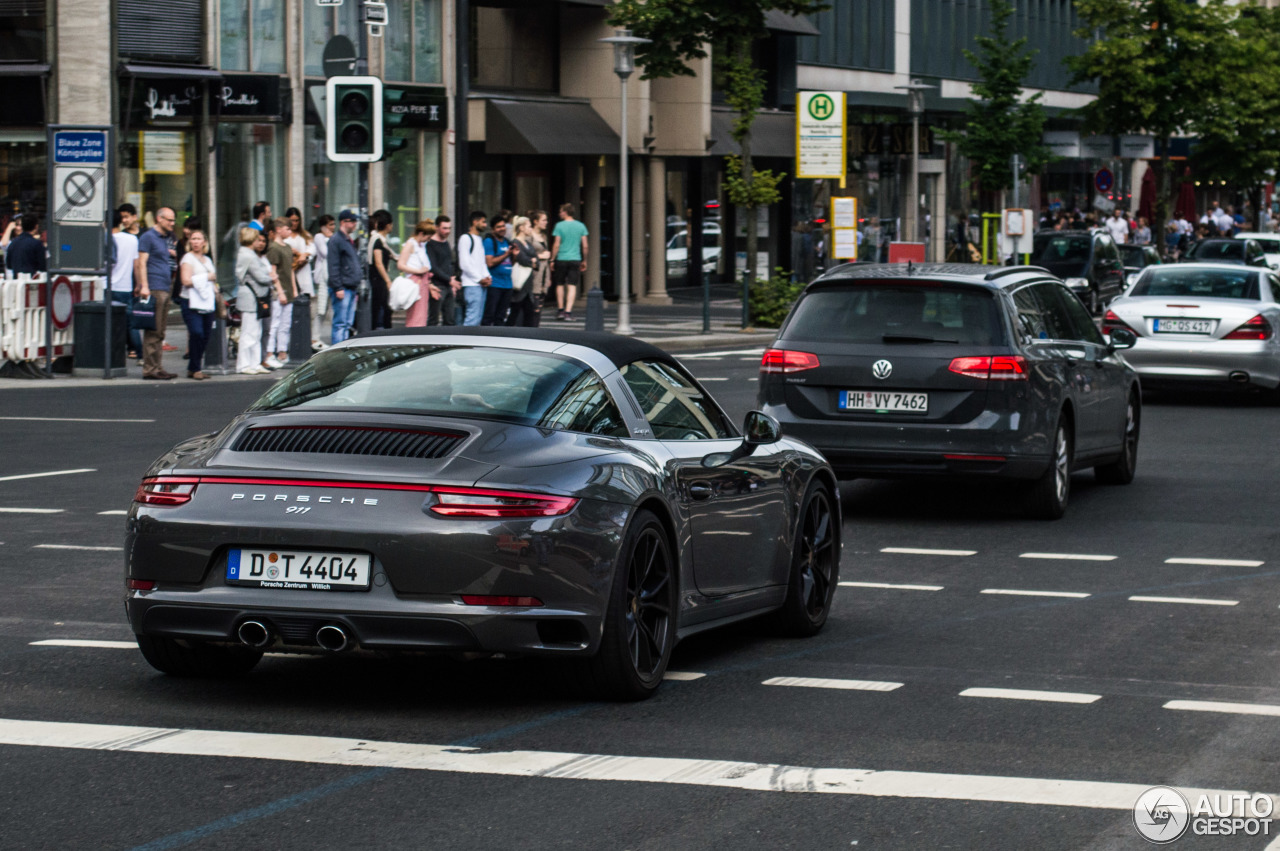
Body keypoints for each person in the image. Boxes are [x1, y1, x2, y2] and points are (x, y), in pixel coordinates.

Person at [137, 206, 178, 380]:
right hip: (154, 288)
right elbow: (141, 262)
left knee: (160, 331)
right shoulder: (148, 237)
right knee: (153, 331)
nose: (172, 223)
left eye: (173, 220)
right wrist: (144, 286)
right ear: (159, 219)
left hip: (164, 287)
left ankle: (157, 366)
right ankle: (150, 369)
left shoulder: (164, 238)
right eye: (169, 220)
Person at [234, 228, 278, 375]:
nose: (258, 242)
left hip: (252, 298)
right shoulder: (249, 256)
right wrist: (272, 276)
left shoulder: (245, 254)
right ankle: (245, 364)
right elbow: (261, 277)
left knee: (255, 331)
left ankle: (254, 363)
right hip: (251, 299)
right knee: (250, 332)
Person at [178, 229, 217, 380]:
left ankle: (194, 367)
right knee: (196, 332)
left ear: (204, 243)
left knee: (206, 335)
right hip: (190, 301)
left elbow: (213, 281)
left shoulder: (207, 260)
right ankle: (195, 368)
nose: (195, 242)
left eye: (198, 239)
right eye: (193, 239)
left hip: (207, 301)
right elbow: (186, 280)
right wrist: (206, 277)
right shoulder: (188, 258)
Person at [108, 204, 143, 359]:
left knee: (108, 323)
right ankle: (141, 355)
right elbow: (137, 264)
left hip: (106, 286)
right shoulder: (132, 239)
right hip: (125, 286)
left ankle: (111, 355)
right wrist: (139, 284)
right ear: (120, 222)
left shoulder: (104, 239)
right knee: (131, 324)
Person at [264, 218, 297, 368]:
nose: (290, 231)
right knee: (275, 323)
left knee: (285, 323)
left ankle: (282, 350)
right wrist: (280, 291)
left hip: (288, 289)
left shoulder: (288, 247)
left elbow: (290, 270)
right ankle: (270, 352)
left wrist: (294, 289)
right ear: (278, 229)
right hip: (279, 291)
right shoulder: (274, 248)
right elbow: (273, 272)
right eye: (287, 229)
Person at [550, 203, 588, 320]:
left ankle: (560, 310)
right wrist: (584, 260)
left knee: (560, 284)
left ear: (565, 212)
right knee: (572, 285)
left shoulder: (559, 226)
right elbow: (585, 246)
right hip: (575, 258)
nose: (559, 213)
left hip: (561, 258)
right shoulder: (581, 226)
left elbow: (556, 244)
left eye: (561, 211)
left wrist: (552, 259)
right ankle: (568, 311)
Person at [329, 210, 362, 343]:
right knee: (341, 324)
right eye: (352, 221)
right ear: (343, 222)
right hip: (343, 287)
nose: (355, 224)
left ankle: (342, 352)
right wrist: (338, 287)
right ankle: (337, 353)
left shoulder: (347, 240)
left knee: (346, 324)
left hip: (349, 286)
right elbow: (333, 265)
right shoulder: (337, 240)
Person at [284, 207, 315, 347]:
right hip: (290, 273)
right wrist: (297, 254)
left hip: (303, 274)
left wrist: (303, 255)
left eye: (297, 220)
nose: (294, 223)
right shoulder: (286, 236)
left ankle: (303, 340)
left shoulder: (305, 235)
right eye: (292, 221)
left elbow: (311, 251)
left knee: (305, 309)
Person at [506, 215, 542, 328]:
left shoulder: (529, 244)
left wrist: (533, 261)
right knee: (514, 314)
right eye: (529, 226)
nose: (531, 229)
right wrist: (532, 261)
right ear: (521, 228)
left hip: (528, 285)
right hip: (519, 284)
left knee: (529, 314)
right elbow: (522, 259)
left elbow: (537, 262)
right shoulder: (514, 243)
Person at [398, 220, 436, 328]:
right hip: (415, 281)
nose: (428, 240)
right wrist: (418, 271)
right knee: (415, 313)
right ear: (421, 234)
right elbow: (401, 264)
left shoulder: (421, 245)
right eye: (428, 237)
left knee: (422, 313)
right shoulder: (410, 244)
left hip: (423, 282)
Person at [457, 211, 491, 326]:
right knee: (472, 319)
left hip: (481, 284)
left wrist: (487, 277)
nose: (485, 225)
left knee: (477, 319)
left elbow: (482, 262)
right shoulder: (465, 238)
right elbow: (464, 263)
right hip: (472, 284)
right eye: (483, 222)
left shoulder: (479, 239)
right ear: (475, 222)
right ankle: (465, 343)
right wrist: (479, 279)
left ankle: (471, 342)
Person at [481, 214, 516, 326]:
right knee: (489, 315)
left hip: (507, 285)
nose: (502, 229)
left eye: (503, 226)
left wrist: (514, 255)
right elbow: (490, 262)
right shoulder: (489, 241)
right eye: (498, 227)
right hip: (495, 284)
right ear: (492, 229)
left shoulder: (506, 241)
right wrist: (507, 254)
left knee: (501, 316)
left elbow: (510, 263)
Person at [426, 215, 460, 326]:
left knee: (450, 319)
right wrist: (449, 280)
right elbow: (433, 267)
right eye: (444, 228)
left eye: (449, 228)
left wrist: (452, 279)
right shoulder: (430, 244)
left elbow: (449, 263)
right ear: (437, 227)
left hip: (448, 284)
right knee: (433, 318)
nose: (447, 231)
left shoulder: (446, 243)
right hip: (437, 285)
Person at [367, 209, 395, 329]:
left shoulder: (380, 241)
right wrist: (388, 281)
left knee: (380, 308)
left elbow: (392, 255)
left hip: (377, 280)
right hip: (377, 280)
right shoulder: (377, 241)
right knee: (381, 309)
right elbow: (378, 263)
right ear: (388, 225)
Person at [311, 214, 335, 348]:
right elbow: (326, 253)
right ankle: (315, 338)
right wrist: (332, 239)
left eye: (333, 224)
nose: (332, 227)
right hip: (323, 276)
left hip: (332, 276)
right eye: (330, 225)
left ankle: (320, 337)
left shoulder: (333, 237)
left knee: (329, 308)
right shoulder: (319, 237)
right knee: (321, 308)